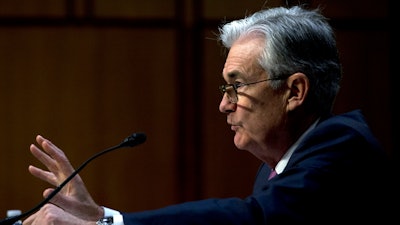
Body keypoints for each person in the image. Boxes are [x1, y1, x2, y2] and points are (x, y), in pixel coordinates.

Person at [22, 5, 394, 225]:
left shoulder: (342, 150)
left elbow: (251, 220)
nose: (224, 104)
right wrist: (101, 216)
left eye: (238, 85)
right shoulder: (278, 165)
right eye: (224, 88)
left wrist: (110, 223)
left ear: (294, 91)